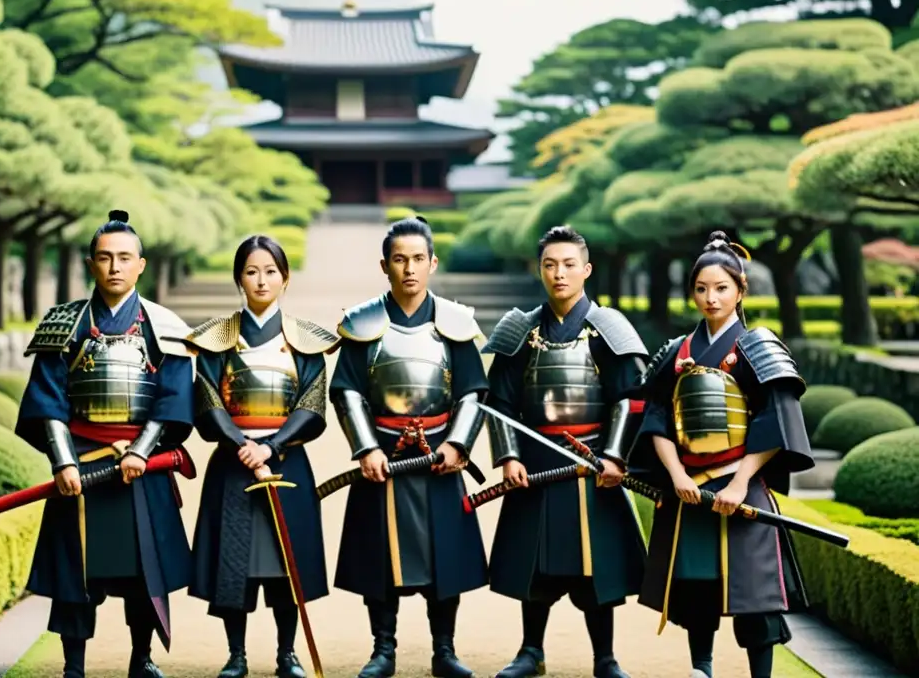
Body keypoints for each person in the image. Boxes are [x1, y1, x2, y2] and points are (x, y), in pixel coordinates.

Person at [15, 210, 196, 678]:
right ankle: (73, 665)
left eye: (124, 258)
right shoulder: (64, 323)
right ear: (90, 264)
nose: (114, 267)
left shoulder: (165, 325)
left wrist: (142, 449)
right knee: (76, 574)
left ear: (142, 264)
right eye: (104, 258)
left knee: (143, 572)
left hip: (143, 465)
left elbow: (175, 399)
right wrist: (63, 461)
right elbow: (47, 398)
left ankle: (142, 659)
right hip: (81, 466)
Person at [631, 230, 814, 678]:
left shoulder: (759, 347)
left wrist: (738, 483)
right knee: (697, 589)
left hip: (741, 487)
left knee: (756, 597)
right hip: (689, 489)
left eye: (721, 288)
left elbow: (776, 421)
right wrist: (676, 475)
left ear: (740, 290)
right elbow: (655, 418)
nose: (710, 299)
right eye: (701, 289)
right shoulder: (676, 352)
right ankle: (702, 668)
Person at [483, 226, 649, 678]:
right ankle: (530, 651)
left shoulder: (609, 328)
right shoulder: (519, 329)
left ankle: (605, 657)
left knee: (598, 571)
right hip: (535, 462)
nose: (559, 274)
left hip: (592, 463)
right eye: (550, 265)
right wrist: (509, 456)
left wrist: (615, 455)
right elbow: (498, 401)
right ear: (539, 269)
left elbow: (631, 398)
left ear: (586, 269)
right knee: (534, 567)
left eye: (569, 264)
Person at [329, 217, 489, 678]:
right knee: (380, 557)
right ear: (385, 265)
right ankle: (383, 649)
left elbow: (473, 392)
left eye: (418, 259)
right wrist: (365, 448)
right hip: (384, 452)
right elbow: (348, 392)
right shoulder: (363, 324)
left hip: (439, 454)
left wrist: (459, 442)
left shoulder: (455, 323)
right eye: (399, 259)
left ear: (432, 262)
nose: (410, 269)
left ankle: (445, 649)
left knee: (446, 560)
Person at [181, 235, 336, 678]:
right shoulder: (217, 340)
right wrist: (241, 445)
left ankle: (287, 653)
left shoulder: (305, 341)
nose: (261, 279)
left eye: (270, 271)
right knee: (236, 562)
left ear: (285, 279)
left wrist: (271, 445)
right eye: (251, 271)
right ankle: (237, 653)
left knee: (287, 562)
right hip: (234, 461)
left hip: (286, 460)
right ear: (239, 279)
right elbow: (208, 402)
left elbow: (312, 404)